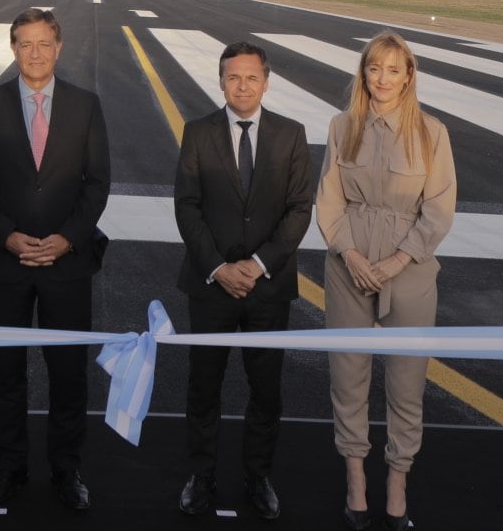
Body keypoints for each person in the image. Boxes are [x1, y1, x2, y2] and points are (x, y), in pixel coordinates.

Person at [0, 8, 112, 511]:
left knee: (68, 374)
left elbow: (97, 185)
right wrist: (6, 236)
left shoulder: (86, 106)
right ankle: (9, 468)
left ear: (59, 47)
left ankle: (67, 471)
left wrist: (67, 239)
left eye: (44, 43)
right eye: (26, 44)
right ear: (13, 49)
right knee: (7, 373)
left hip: (67, 265)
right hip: (5, 264)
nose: (36, 53)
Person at [317, 31, 456, 531]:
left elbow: (439, 210)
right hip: (348, 261)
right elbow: (329, 198)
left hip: (410, 267)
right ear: (364, 73)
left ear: (409, 75)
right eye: (375, 68)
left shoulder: (432, 132)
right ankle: (356, 477)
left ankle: (398, 479)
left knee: (406, 381)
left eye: (394, 69)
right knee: (347, 377)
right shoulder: (342, 126)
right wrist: (349, 253)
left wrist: (398, 262)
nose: (383, 79)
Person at [175, 39, 314, 521]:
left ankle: (258, 477)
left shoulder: (291, 134)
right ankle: (202, 475)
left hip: (268, 287)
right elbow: (187, 207)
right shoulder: (197, 133)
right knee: (203, 389)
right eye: (233, 77)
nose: (242, 85)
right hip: (211, 285)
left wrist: (256, 266)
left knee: (266, 391)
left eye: (252, 77)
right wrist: (218, 267)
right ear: (220, 81)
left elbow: (300, 210)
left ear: (266, 81)